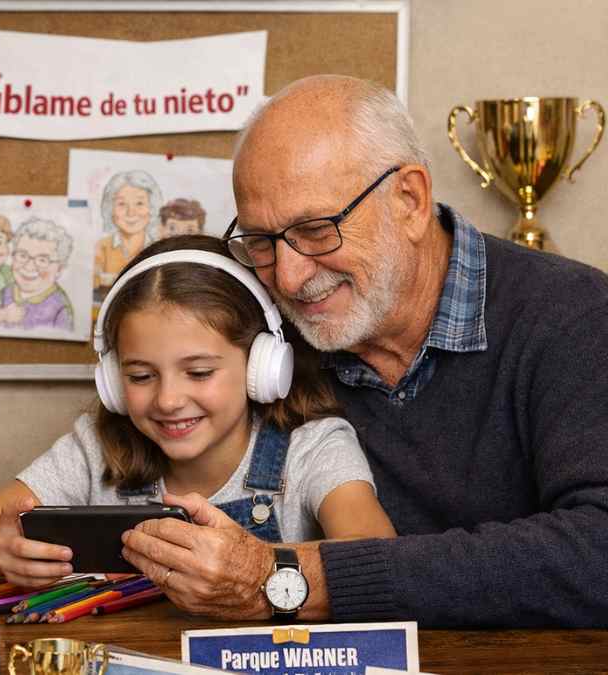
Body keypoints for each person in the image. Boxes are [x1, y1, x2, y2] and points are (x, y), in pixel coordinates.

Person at [120, 75, 608, 628]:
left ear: (410, 200)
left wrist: (290, 580)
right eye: (260, 241)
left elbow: (599, 552)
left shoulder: (575, 313)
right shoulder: (257, 338)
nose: (289, 275)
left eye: (317, 229)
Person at [0, 234, 394, 588]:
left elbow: (377, 561)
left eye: (199, 372)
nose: (168, 400)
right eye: (141, 376)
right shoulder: (96, 450)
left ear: (262, 367)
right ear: (111, 381)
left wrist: (253, 569)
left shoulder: (314, 448)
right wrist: (1, 550)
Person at [93, 171, 163, 302]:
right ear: (110, 209)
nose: (131, 212)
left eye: (139, 203)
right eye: (122, 204)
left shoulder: (160, 251)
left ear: (152, 207)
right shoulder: (100, 248)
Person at [0, 217, 75, 331]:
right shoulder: (4, 293)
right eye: (22, 255)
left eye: (42, 260)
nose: (29, 266)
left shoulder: (60, 309)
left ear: (59, 269)